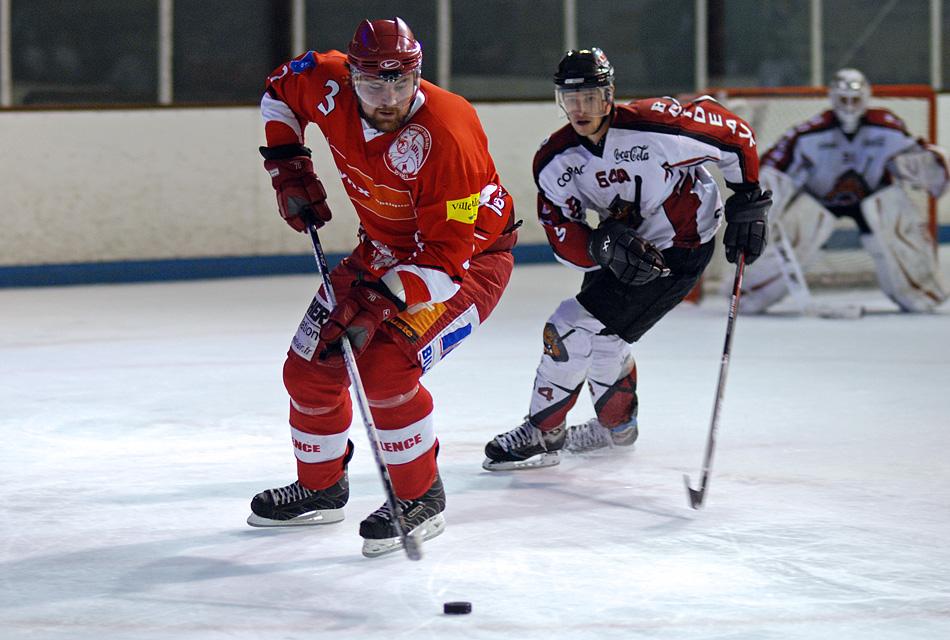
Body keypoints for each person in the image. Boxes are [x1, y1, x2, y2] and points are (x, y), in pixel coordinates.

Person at [247, 17, 519, 557]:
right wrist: (287, 163)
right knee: (309, 366)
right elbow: (279, 90)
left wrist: (378, 300)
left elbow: (446, 262)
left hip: (469, 263)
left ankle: (421, 498)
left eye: (403, 82)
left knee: (384, 368)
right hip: (382, 251)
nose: (390, 98)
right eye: (375, 84)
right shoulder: (324, 82)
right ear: (350, 77)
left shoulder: (450, 131)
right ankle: (321, 487)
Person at [482, 48, 769, 470]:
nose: (580, 109)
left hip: (681, 247)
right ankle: (617, 429)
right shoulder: (554, 162)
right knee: (603, 338)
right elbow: (562, 232)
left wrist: (748, 197)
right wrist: (598, 246)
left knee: (567, 327)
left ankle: (544, 434)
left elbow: (735, 134)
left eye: (591, 98)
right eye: (570, 99)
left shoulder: (657, 126)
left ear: (610, 95)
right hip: (620, 255)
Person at [741, 68, 949, 313]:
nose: (849, 106)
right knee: (795, 232)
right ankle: (751, 292)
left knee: (895, 220)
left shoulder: (887, 128)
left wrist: (931, 167)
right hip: (821, 201)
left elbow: (917, 160)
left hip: (873, 200)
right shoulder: (810, 133)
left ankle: (920, 292)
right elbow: (775, 168)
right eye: (843, 99)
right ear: (832, 98)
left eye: (855, 100)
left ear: (866, 98)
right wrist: (764, 211)